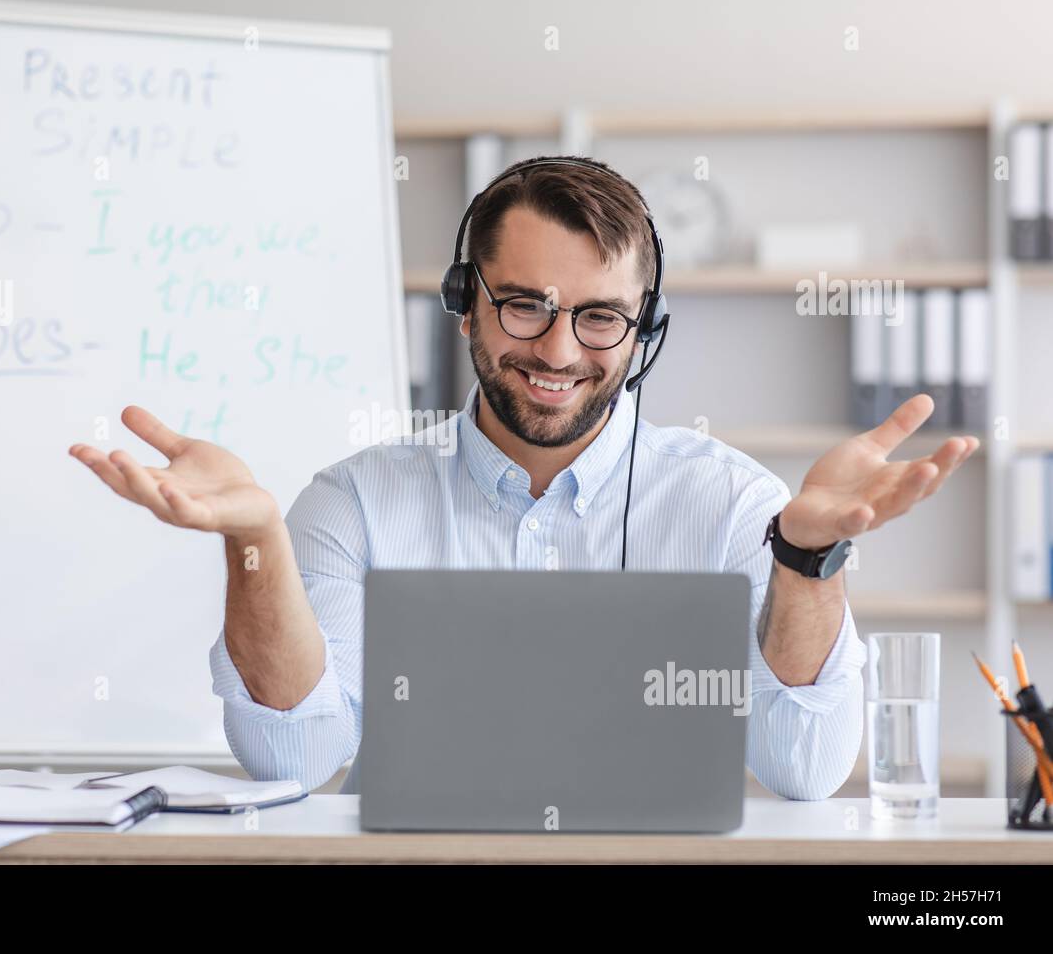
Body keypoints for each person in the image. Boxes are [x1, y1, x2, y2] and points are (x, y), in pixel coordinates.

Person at [69, 156, 978, 799]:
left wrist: (805, 559)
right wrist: (253, 545)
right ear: (467, 308)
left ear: (645, 332)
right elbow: (295, 759)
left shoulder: (736, 504)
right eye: (524, 305)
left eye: (599, 318)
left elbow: (807, 770)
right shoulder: (351, 503)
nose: (557, 349)